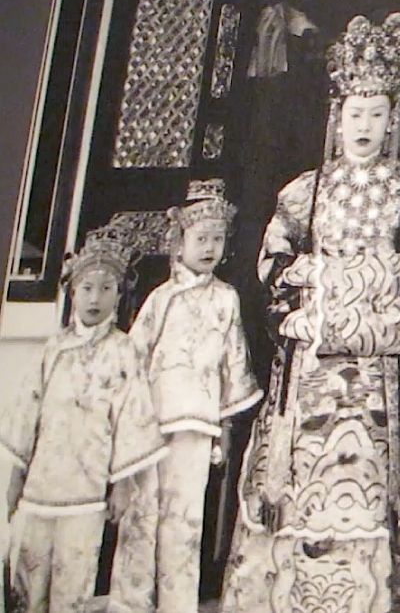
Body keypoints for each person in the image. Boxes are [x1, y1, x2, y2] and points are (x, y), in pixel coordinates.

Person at [220, 12, 400, 612]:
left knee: (369, 490)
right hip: (311, 374)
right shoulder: (303, 191)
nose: (364, 125)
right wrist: (322, 282)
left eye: (376, 113)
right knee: (301, 488)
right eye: (354, 113)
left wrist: (355, 282)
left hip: (377, 377)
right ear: (336, 117)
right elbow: (272, 263)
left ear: (392, 118)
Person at [110, 179, 263, 612]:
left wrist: (225, 427)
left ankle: (177, 603)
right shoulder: (161, 300)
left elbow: (233, 364)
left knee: (185, 520)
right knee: (141, 518)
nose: (209, 247)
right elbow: (132, 359)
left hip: (198, 426)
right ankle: (129, 603)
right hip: (152, 425)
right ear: (179, 243)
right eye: (201, 238)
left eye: (217, 239)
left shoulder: (227, 300)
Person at [0, 234, 166, 612]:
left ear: (119, 296)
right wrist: (14, 483)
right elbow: (27, 416)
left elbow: (132, 420)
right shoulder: (53, 350)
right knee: (24, 591)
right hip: (38, 494)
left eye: (106, 289)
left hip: (86, 497)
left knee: (72, 591)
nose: (95, 298)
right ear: (72, 293)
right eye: (87, 288)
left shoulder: (124, 351)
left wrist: (121, 485)